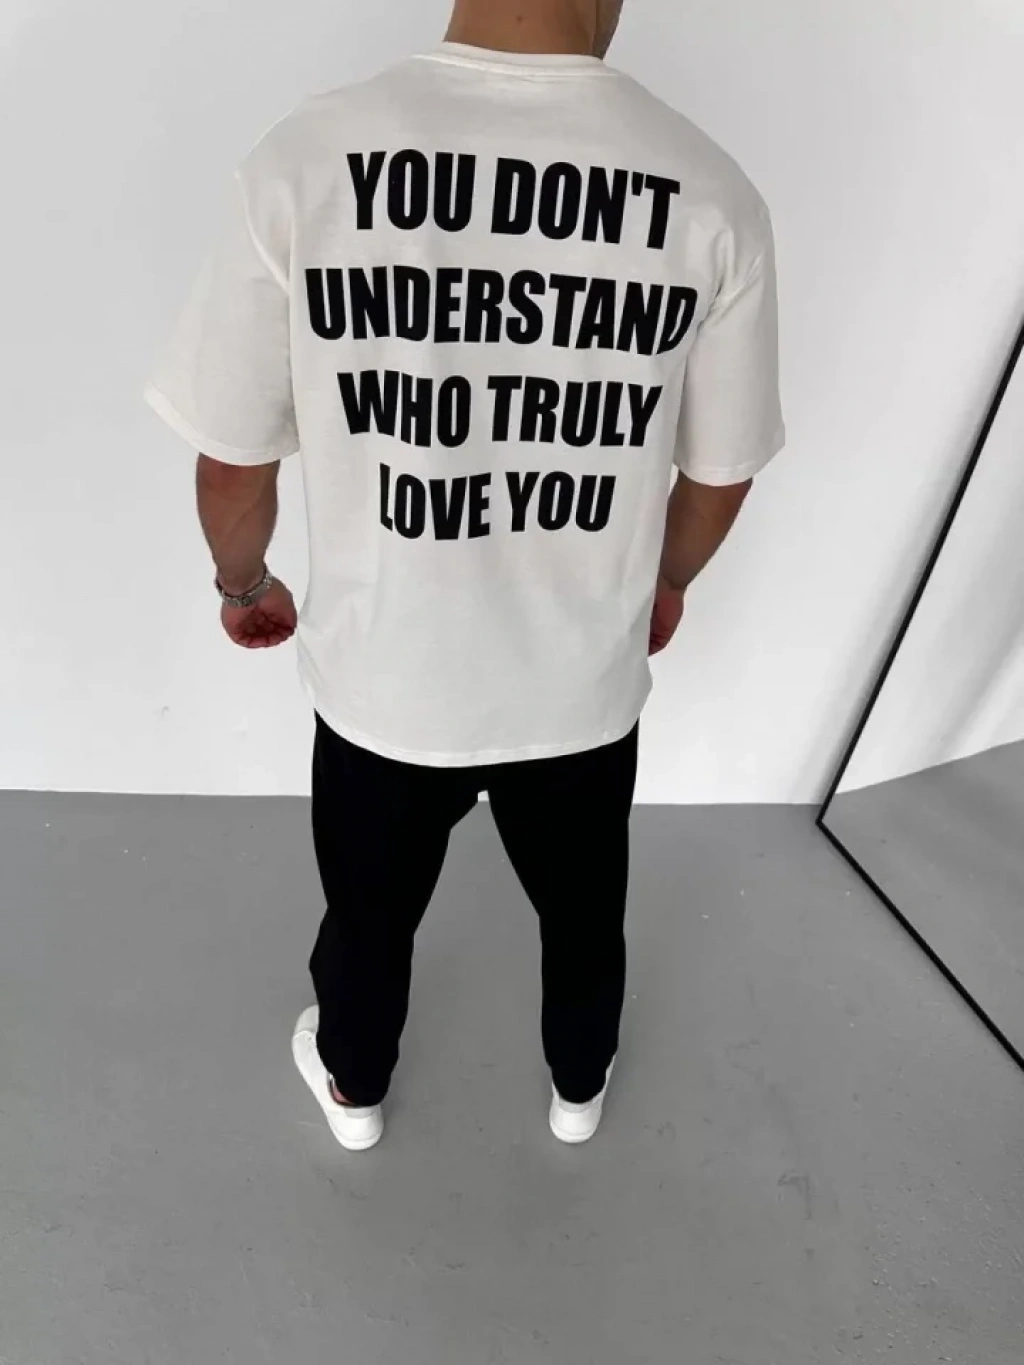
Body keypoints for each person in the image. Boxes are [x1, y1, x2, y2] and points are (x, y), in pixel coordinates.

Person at [144, 0, 784, 1152]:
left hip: (386, 685)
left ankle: (354, 1087)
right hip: (578, 685)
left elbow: (232, 462)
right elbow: (719, 471)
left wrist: (243, 586)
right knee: (583, 915)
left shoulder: (307, 159)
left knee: (367, 916)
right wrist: (666, 582)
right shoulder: (708, 191)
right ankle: (578, 1086)